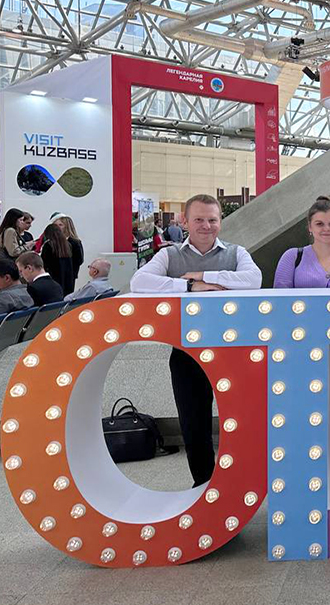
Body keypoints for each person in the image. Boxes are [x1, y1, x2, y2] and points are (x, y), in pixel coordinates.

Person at [131, 194, 262, 487]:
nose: (206, 225)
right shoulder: (169, 255)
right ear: (185, 222)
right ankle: (203, 484)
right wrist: (191, 286)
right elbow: (139, 281)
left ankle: (237, 485)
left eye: (212, 220)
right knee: (193, 423)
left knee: (239, 420)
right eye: (199, 219)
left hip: (233, 350)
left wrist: (204, 274)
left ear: (220, 222)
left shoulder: (236, 253)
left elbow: (254, 280)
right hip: (186, 352)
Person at [273, 197, 330, 479]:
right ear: (310, 227)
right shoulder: (293, 258)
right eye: (320, 223)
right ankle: (302, 478)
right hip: (300, 352)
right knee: (301, 416)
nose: (326, 228)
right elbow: (281, 304)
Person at [39, 223, 76, 296]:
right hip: (67, 277)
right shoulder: (67, 245)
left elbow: (44, 262)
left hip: (53, 277)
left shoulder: (48, 245)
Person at [51, 214, 85, 284]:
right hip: (54, 275)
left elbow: (79, 260)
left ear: (67, 227)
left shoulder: (75, 242)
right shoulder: (52, 242)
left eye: (60, 225)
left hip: (68, 276)